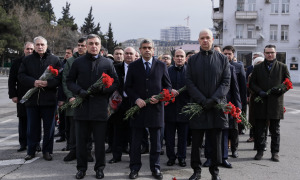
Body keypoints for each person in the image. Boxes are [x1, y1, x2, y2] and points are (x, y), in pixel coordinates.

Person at [67, 34, 119, 179]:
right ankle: (81, 168)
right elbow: (69, 81)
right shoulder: (78, 62)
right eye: (91, 43)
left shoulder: (107, 63)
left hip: (100, 108)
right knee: (81, 141)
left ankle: (99, 168)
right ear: (86, 45)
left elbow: (115, 83)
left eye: (96, 43)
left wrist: (103, 90)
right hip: (82, 107)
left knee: (100, 141)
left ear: (100, 45)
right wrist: (79, 91)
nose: (94, 46)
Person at [186, 29, 230, 180]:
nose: (205, 40)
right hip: (198, 107)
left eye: (207, 38)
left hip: (216, 107)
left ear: (213, 39)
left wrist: (213, 100)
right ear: (198, 41)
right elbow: (189, 82)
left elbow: (226, 82)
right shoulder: (192, 60)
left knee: (215, 143)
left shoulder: (223, 59)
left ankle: (214, 172)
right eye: (202, 38)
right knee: (196, 143)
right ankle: (196, 171)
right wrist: (202, 100)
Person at [125, 39, 172, 180]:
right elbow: (128, 87)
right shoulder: (133, 66)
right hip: (138, 109)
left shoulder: (161, 65)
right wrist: (136, 99)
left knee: (156, 143)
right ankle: (134, 168)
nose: (147, 50)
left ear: (153, 50)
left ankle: (156, 168)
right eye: (144, 48)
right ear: (139, 50)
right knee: (136, 143)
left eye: (149, 48)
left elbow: (168, 87)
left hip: (155, 109)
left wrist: (160, 97)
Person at [18, 36, 62, 161]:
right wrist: (34, 82)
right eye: (37, 45)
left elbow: (60, 78)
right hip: (32, 100)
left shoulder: (54, 60)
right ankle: (31, 151)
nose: (40, 47)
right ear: (35, 46)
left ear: (46, 46)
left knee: (49, 128)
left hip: (48, 100)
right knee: (32, 127)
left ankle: (47, 151)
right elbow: (21, 76)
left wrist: (48, 83)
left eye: (42, 44)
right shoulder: (27, 60)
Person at [249, 45, 290, 162]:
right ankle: (260, 151)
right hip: (261, 102)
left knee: (275, 130)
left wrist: (280, 90)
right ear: (264, 53)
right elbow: (252, 83)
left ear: (275, 53)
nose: (269, 55)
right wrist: (259, 91)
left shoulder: (282, 67)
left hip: (275, 103)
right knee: (260, 129)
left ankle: (275, 152)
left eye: (272, 52)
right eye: (267, 53)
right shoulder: (257, 68)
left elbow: (288, 83)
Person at [62, 38, 94, 162]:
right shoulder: (70, 61)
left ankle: (87, 151)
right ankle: (73, 150)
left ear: (87, 46)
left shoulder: (91, 60)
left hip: (86, 98)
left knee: (89, 127)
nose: (80, 47)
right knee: (74, 127)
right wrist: (70, 96)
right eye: (79, 45)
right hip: (73, 99)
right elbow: (66, 80)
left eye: (83, 45)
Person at [108, 47, 136, 164]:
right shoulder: (115, 68)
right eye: (127, 53)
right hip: (119, 103)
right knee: (117, 131)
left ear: (135, 56)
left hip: (134, 103)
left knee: (133, 132)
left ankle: (133, 157)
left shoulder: (138, 68)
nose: (128, 55)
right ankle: (116, 156)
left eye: (131, 54)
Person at [164, 49, 189, 167]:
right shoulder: (167, 71)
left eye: (181, 56)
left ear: (185, 58)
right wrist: (170, 90)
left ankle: (182, 157)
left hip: (184, 109)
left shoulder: (190, 72)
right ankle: (171, 157)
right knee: (169, 137)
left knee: (183, 137)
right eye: (177, 56)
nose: (179, 58)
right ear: (173, 58)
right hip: (170, 109)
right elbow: (162, 85)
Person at [8, 42, 34, 152]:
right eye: (28, 49)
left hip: (35, 95)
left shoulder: (37, 61)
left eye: (32, 49)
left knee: (34, 121)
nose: (29, 51)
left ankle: (35, 143)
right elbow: (12, 80)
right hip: (21, 95)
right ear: (24, 50)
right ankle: (23, 143)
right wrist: (13, 95)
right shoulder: (17, 62)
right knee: (23, 120)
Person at [223, 45, 247, 157]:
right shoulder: (219, 65)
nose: (227, 56)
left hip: (233, 101)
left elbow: (241, 87)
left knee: (234, 128)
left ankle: (234, 149)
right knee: (223, 127)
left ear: (233, 55)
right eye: (225, 54)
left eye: (229, 54)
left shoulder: (238, 66)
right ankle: (223, 150)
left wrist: (241, 104)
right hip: (222, 101)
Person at [246, 52, 265, 143]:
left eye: (261, 63)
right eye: (257, 63)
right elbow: (249, 86)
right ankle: (252, 136)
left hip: (265, 99)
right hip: (254, 99)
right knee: (253, 119)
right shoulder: (251, 74)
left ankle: (263, 138)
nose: (259, 65)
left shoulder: (267, 75)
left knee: (265, 120)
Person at [56, 47, 73, 143]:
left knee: (69, 121)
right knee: (62, 118)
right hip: (63, 95)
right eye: (66, 53)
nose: (66, 55)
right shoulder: (62, 64)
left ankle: (68, 139)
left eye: (69, 53)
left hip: (71, 96)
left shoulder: (72, 63)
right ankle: (62, 135)